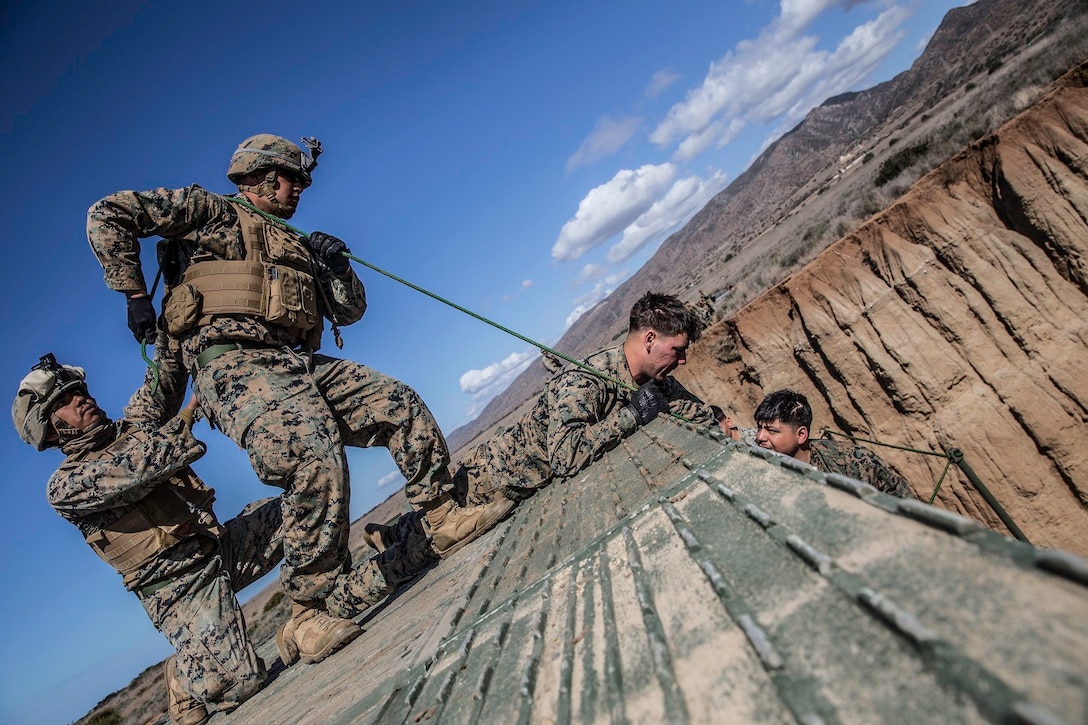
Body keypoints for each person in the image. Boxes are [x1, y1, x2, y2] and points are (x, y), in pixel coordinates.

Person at [85, 134, 514, 664]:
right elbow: (108, 214)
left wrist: (336, 267)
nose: (300, 191)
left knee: (397, 404)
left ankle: (442, 514)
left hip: (295, 362)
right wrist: (132, 294)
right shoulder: (209, 213)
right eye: (293, 180)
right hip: (233, 364)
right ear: (264, 176)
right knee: (311, 452)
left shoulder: (295, 242)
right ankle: (307, 614)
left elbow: (349, 312)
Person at [12, 350, 283, 725]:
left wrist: (174, 331)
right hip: (177, 590)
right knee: (242, 682)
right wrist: (186, 415)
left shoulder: (134, 426)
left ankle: (309, 610)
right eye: (64, 401)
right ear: (51, 427)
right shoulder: (65, 486)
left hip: (217, 547)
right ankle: (185, 676)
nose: (82, 399)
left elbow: (163, 379)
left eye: (80, 391)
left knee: (306, 507)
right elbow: (140, 468)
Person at [367, 292, 717, 550]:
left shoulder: (656, 378)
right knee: (416, 547)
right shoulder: (585, 381)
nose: (683, 361)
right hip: (489, 482)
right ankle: (373, 547)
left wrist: (723, 423)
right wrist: (632, 415)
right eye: (679, 350)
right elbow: (566, 457)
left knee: (413, 534)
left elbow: (691, 411)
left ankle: (389, 532)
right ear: (651, 339)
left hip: (517, 484)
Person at [752, 389, 914, 498]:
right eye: (759, 428)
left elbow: (905, 503)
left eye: (772, 431)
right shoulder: (755, 470)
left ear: (801, 435)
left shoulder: (853, 461)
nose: (760, 436)